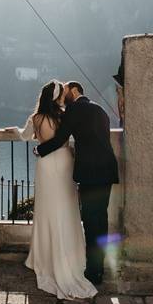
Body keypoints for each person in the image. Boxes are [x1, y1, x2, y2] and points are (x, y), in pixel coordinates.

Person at [6, 80, 96, 300]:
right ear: (57, 98)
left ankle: (42, 257)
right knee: (66, 207)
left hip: (46, 165)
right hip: (65, 162)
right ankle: (71, 256)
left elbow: (25, 136)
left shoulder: (35, 119)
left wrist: (15, 131)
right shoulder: (64, 116)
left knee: (46, 209)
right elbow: (69, 138)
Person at [35, 81, 119, 285]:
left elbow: (59, 139)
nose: (64, 98)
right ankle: (100, 267)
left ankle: (93, 271)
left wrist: (39, 150)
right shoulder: (100, 109)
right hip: (107, 170)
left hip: (90, 173)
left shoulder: (74, 111)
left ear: (74, 90)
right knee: (101, 219)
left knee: (91, 222)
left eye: (65, 92)